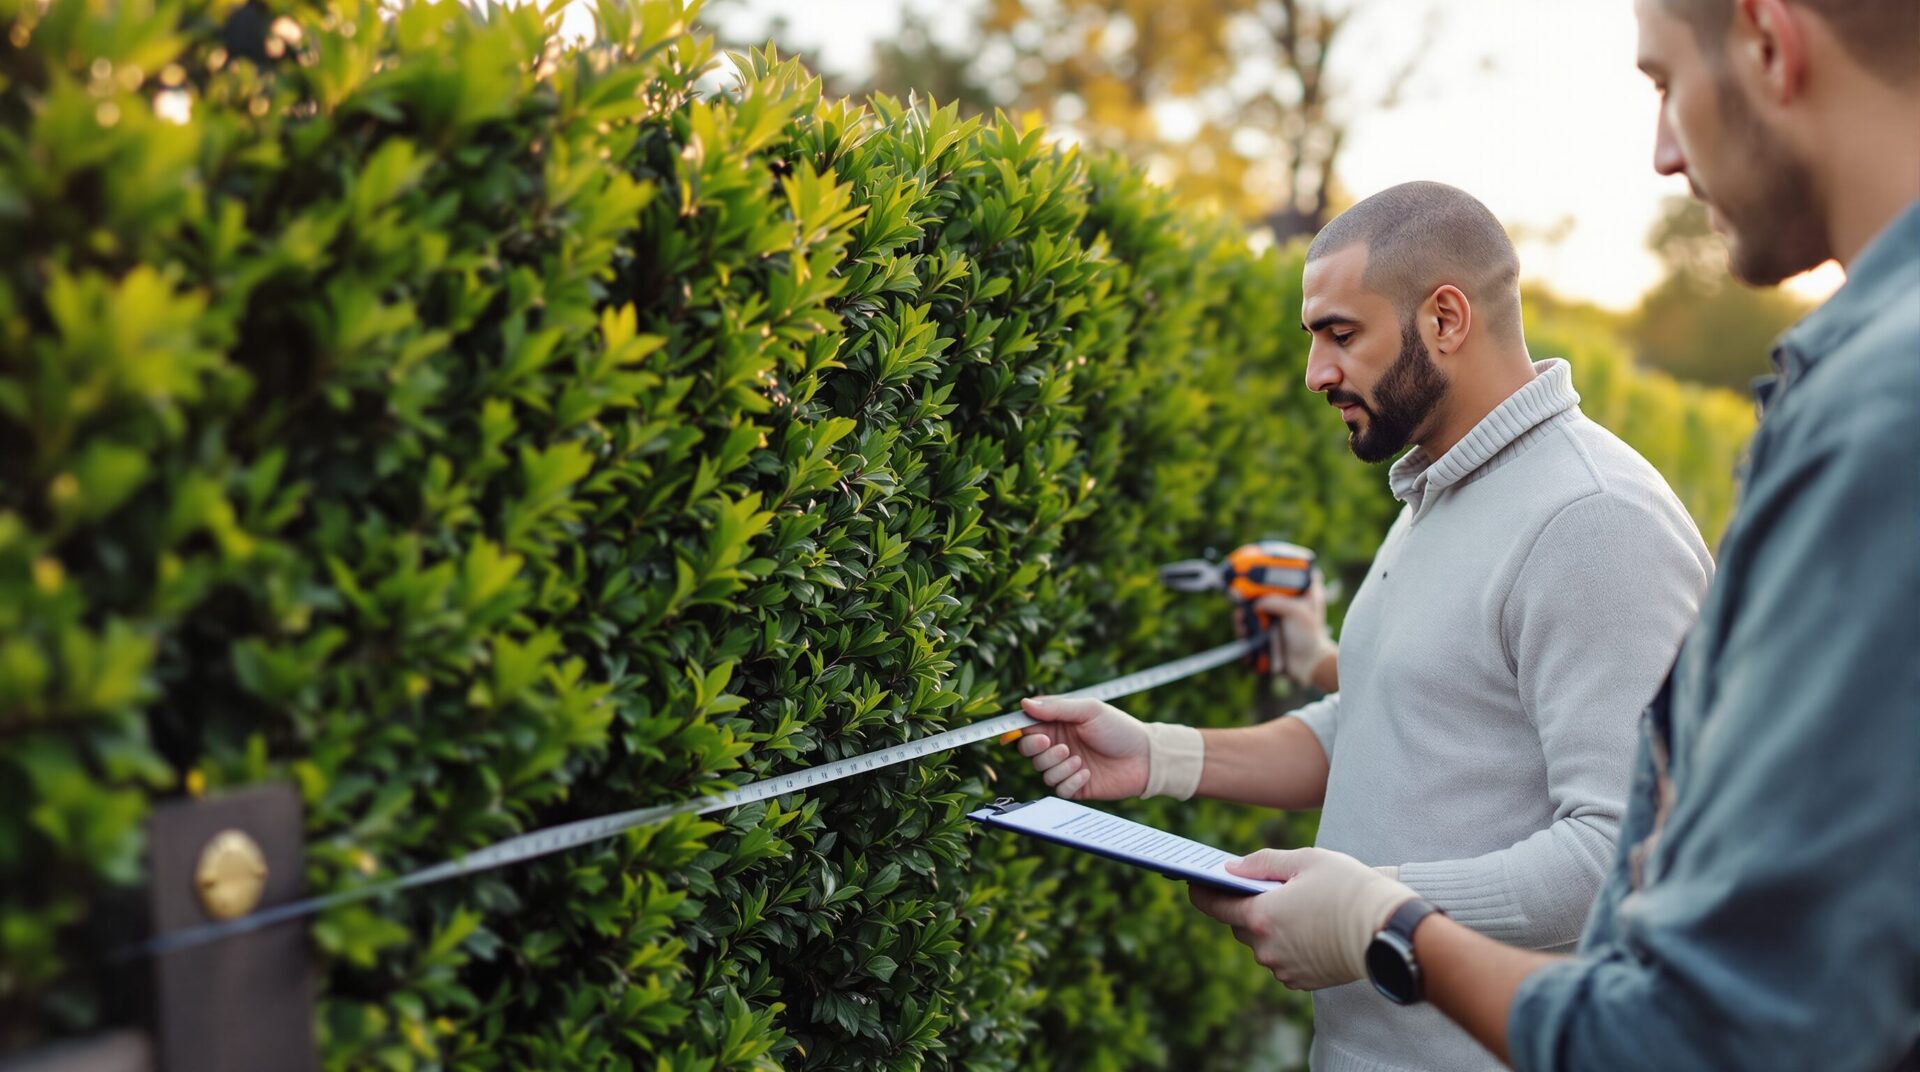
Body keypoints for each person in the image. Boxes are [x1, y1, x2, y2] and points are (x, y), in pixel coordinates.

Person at [1183, 1, 1920, 1069]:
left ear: (1769, 40)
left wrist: (1389, 924)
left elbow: (1717, 1006)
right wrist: (1162, 759)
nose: (1662, 154)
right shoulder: (1434, 494)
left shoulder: (1868, 421)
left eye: (1664, 83)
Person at [1014, 181, 1714, 1071]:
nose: (1316, 373)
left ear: (1446, 319)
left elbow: (1623, 854)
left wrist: (1372, 912)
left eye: (1341, 334)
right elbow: (1381, 722)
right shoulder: (1439, 485)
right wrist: (1158, 755)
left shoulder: (1592, 520)